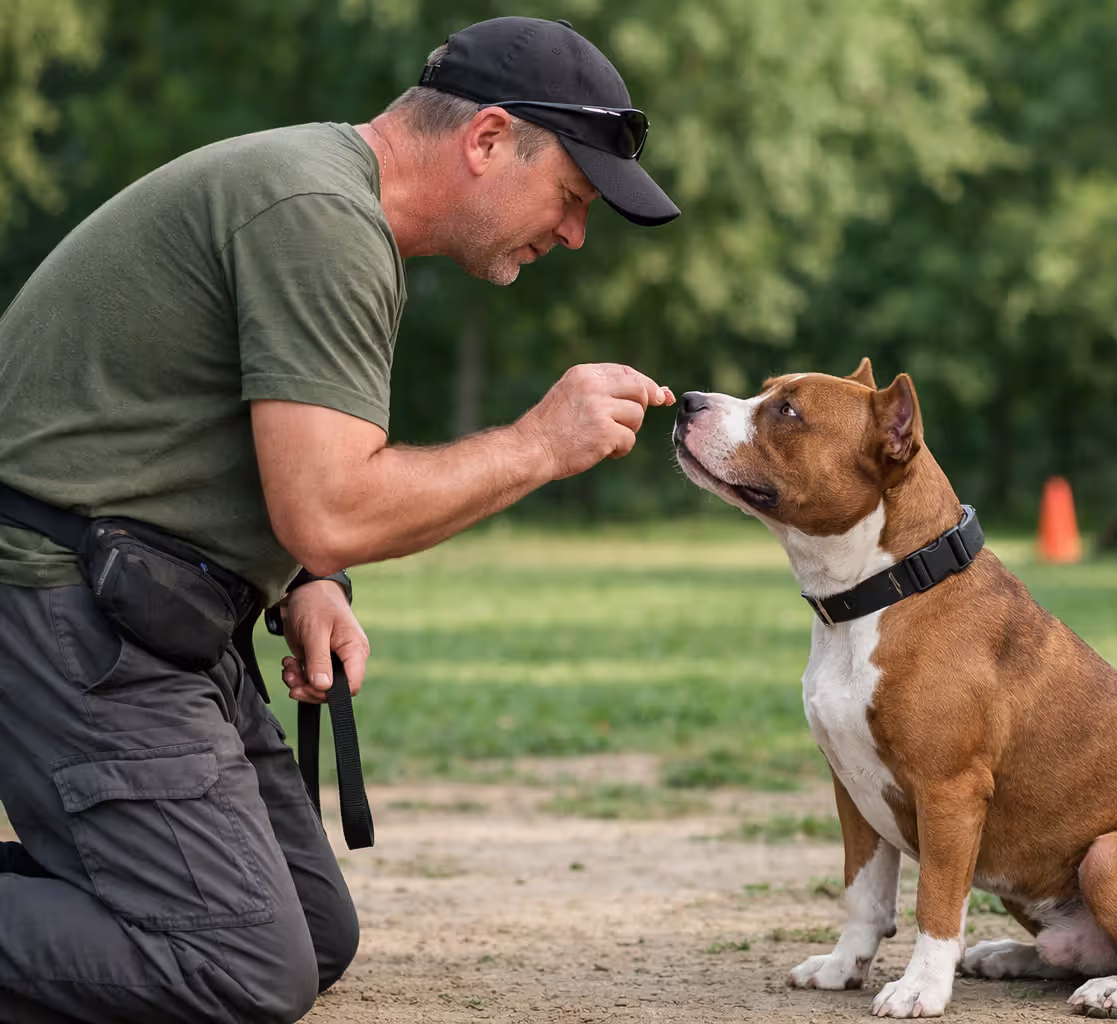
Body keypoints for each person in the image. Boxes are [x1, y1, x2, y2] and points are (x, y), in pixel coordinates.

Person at [0, 16, 677, 1024]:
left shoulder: (327, 204)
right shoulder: (321, 219)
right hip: (61, 604)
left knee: (314, 934)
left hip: (140, 598)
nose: (572, 234)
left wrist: (310, 583)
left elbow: (212, 439)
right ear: (487, 140)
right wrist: (540, 445)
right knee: (238, 966)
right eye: (571, 198)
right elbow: (326, 505)